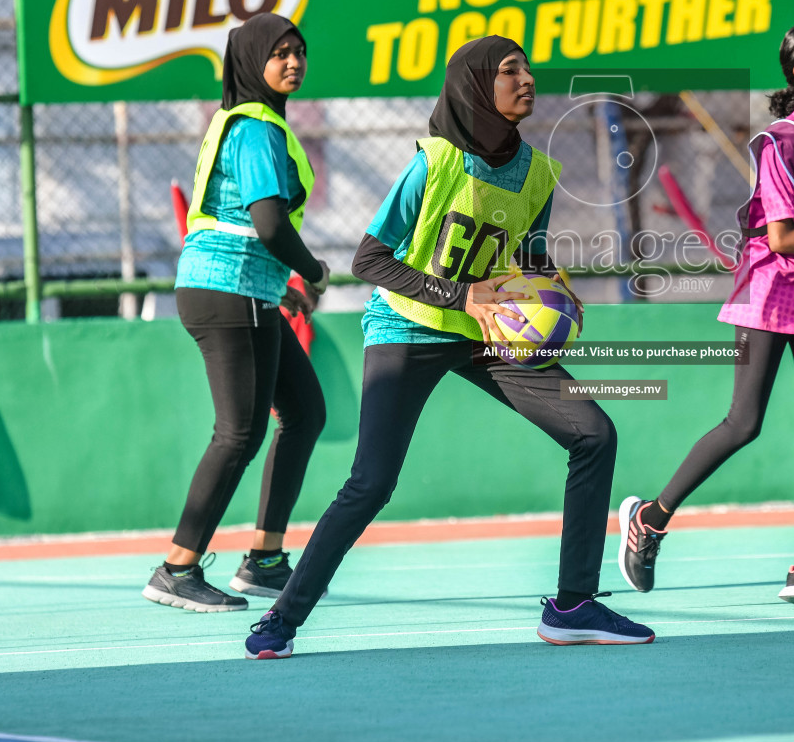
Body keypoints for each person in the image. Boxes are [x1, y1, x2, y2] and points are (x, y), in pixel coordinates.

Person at [244, 35, 653, 659]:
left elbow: (527, 256)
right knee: (371, 484)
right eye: (509, 71)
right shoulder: (433, 163)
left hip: (488, 333)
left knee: (593, 432)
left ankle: (573, 604)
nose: (527, 79)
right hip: (408, 325)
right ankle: (281, 619)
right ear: (473, 86)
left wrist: (550, 290)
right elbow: (369, 259)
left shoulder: (538, 174)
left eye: (528, 69)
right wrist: (461, 297)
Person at [618, 23, 794, 605]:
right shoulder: (779, 143)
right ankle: (650, 519)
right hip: (772, 293)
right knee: (744, 422)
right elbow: (782, 238)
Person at [144, 13, 330, 613]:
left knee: (304, 412)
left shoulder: (256, 122)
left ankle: (265, 559)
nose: (293, 62)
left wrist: (282, 287)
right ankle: (177, 567)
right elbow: (269, 224)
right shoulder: (254, 127)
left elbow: (240, 226)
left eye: (299, 51)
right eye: (280, 53)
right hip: (230, 291)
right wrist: (312, 269)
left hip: (243, 287)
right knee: (238, 433)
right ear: (252, 61)